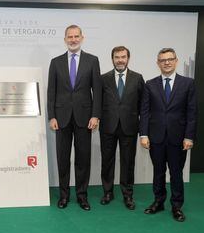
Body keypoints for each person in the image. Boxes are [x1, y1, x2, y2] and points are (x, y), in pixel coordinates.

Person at [47, 24, 102, 211]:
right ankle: (64, 196)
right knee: (63, 159)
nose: (73, 39)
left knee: (83, 159)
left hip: (85, 118)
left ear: (82, 38)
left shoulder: (92, 60)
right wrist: (51, 116)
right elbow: (51, 91)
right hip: (61, 119)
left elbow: (98, 90)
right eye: (69, 37)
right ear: (65, 39)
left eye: (76, 36)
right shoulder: (55, 62)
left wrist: (95, 115)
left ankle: (81, 196)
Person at [140, 48, 197, 222]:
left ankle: (176, 206)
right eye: (163, 60)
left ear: (176, 61)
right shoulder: (150, 84)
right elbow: (145, 111)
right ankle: (158, 201)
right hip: (155, 137)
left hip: (178, 138)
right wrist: (143, 134)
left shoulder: (188, 83)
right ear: (158, 63)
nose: (167, 62)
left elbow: (192, 112)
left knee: (176, 172)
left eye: (170, 59)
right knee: (158, 172)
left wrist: (189, 136)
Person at [99, 46, 144, 210]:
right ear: (112, 59)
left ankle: (127, 195)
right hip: (108, 127)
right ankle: (108, 192)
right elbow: (98, 102)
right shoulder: (103, 79)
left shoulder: (137, 78)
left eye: (123, 57)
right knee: (107, 161)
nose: (120, 60)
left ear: (128, 58)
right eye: (117, 57)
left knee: (128, 163)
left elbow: (142, 105)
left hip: (129, 127)